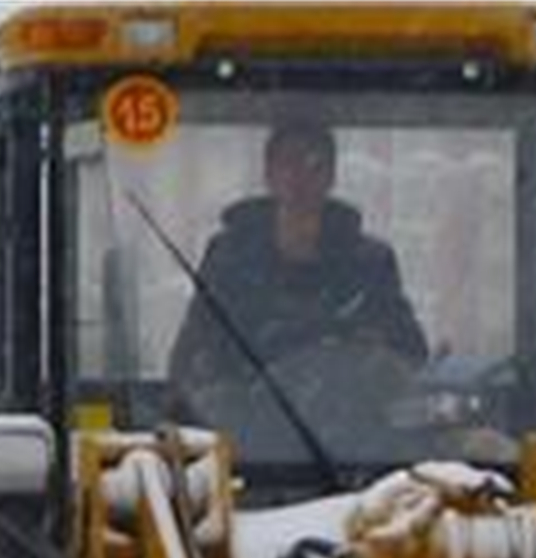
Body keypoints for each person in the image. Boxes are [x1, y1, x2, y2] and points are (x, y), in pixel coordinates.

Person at [166, 118, 427, 449]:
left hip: (350, 453)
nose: (299, 176)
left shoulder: (370, 263)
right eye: (288, 162)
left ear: (331, 177)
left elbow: (409, 350)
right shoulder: (229, 257)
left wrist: (364, 352)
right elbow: (193, 352)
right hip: (244, 450)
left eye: (313, 164)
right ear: (269, 174)